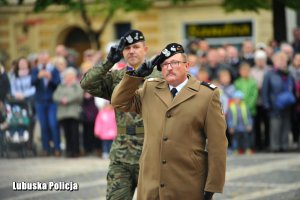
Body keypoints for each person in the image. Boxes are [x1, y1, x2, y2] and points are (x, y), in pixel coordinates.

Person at [111, 43, 228, 200]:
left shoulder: (206, 95)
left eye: (174, 63)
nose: (169, 68)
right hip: (151, 184)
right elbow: (119, 102)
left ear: (187, 65)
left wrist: (212, 185)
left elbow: (217, 144)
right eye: (164, 64)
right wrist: (136, 76)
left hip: (187, 183)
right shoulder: (150, 89)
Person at [80, 30, 161, 199]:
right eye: (127, 48)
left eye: (136, 47)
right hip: (122, 155)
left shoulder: (160, 78)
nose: (131, 51)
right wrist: (108, 62)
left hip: (152, 154)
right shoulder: (117, 77)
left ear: (145, 49)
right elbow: (87, 84)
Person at [31, 51, 61, 157]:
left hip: (52, 102)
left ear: (48, 59)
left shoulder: (53, 69)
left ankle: (57, 148)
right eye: (41, 58)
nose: (43, 60)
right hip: (40, 102)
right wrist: (39, 77)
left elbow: (58, 83)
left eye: (45, 58)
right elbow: (32, 83)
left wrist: (50, 78)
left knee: (53, 125)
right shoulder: (35, 70)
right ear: (39, 59)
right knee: (43, 126)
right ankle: (46, 149)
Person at [53, 68, 83, 157]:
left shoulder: (77, 85)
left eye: (70, 76)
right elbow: (55, 96)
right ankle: (68, 151)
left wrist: (68, 99)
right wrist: (62, 99)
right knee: (66, 134)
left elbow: (79, 95)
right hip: (63, 114)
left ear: (74, 76)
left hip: (73, 113)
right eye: (67, 76)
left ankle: (76, 151)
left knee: (75, 133)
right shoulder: (61, 86)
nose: (68, 78)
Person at [227, 90, 253, 155]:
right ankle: (235, 150)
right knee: (235, 139)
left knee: (246, 139)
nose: (237, 100)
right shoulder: (231, 107)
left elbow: (249, 117)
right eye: (236, 98)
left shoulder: (245, 107)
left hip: (244, 126)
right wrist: (230, 127)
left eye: (239, 99)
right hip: (235, 127)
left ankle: (247, 149)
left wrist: (249, 125)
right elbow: (229, 118)